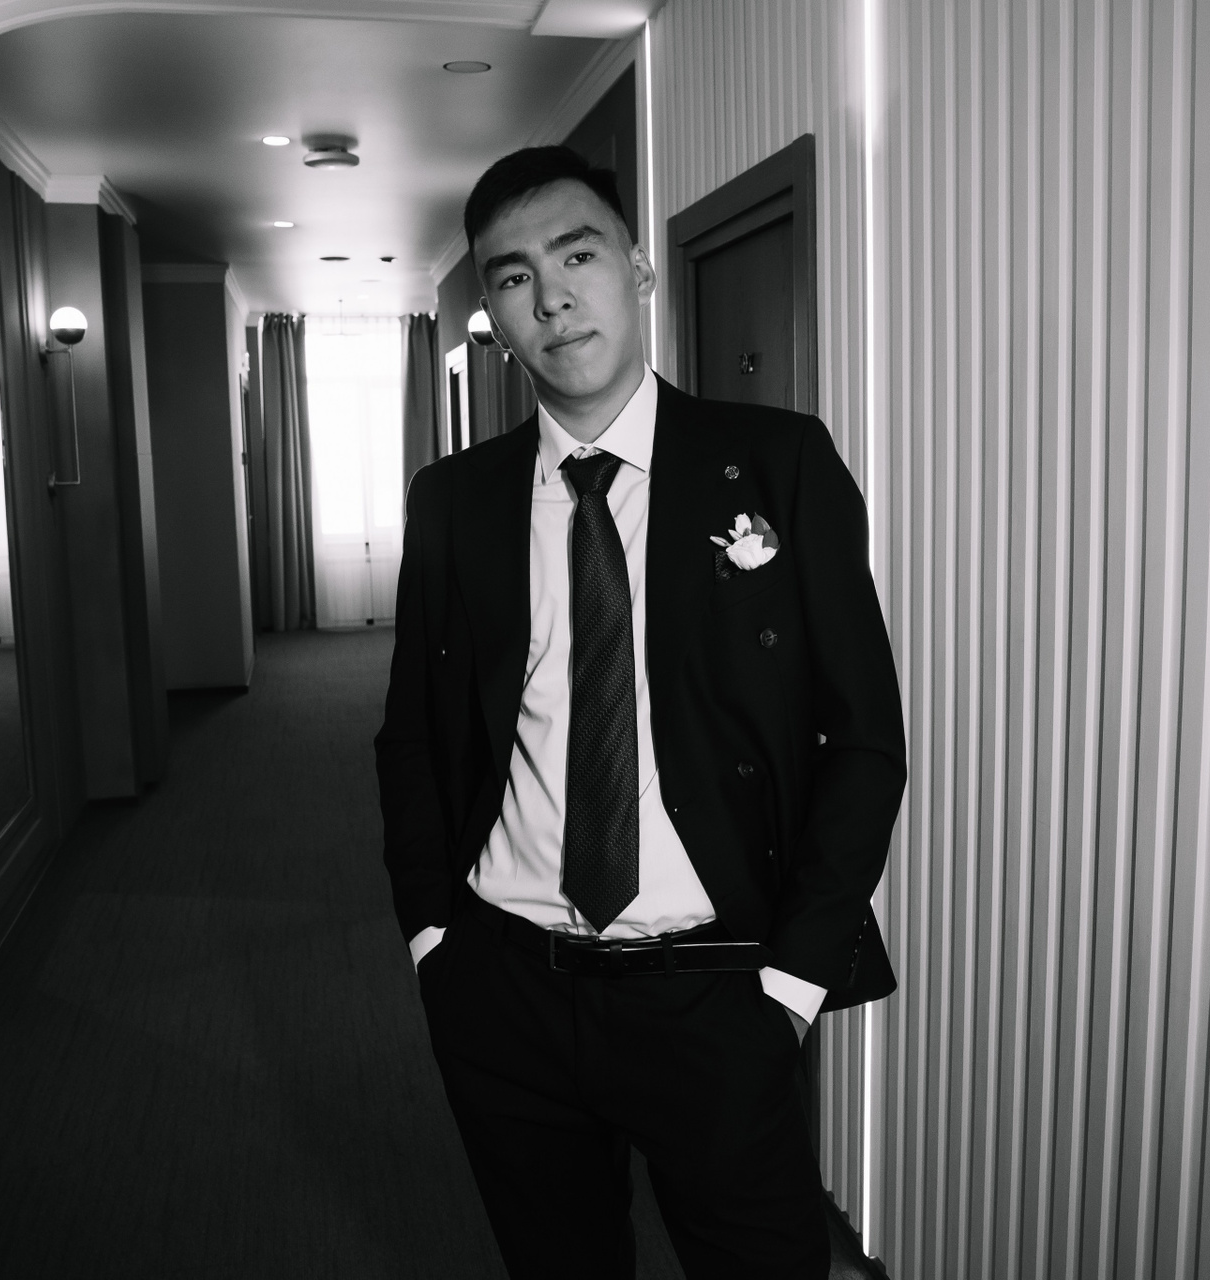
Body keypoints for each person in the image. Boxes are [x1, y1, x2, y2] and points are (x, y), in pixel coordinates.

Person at [374, 145, 906, 1279]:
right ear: (496, 316)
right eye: (513, 276)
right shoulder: (454, 501)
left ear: (639, 270)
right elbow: (412, 731)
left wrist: (791, 984)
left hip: (717, 991)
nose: (552, 297)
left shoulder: (778, 463)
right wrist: (434, 940)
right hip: (506, 989)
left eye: (577, 256)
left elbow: (865, 739)